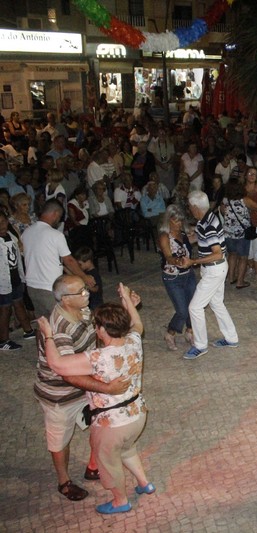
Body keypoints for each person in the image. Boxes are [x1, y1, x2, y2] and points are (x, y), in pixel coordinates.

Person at [37, 283, 154, 514]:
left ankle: (120, 501)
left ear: (101, 330)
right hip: (137, 414)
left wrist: (48, 334)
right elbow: (137, 323)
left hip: (112, 424)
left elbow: (57, 364)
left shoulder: (98, 357)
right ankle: (144, 483)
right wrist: (126, 299)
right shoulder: (134, 341)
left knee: (109, 463)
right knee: (127, 449)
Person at [180, 190, 239, 359]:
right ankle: (231, 338)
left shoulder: (208, 225)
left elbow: (217, 253)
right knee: (217, 304)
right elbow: (204, 238)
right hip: (217, 268)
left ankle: (200, 345)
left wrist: (193, 261)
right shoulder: (208, 218)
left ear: (195, 207)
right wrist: (189, 238)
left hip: (214, 270)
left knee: (195, 307)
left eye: (190, 206)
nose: (189, 209)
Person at [22, 200, 96, 318]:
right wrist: (84, 276)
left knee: (44, 322)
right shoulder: (55, 235)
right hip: (50, 286)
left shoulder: (27, 232)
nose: (59, 221)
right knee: (61, 320)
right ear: (55, 213)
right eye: (60, 217)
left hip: (32, 286)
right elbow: (69, 260)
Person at [158, 204, 196, 351]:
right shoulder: (164, 236)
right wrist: (178, 261)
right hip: (172, 277)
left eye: (180, 220)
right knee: (182, 311)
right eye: (175, 221)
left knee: (192, 306)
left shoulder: (184, 233)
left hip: (188, 275)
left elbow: (194, 239)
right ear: (168, 220)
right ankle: (170, 333)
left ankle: (190, 331)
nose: (178, 224)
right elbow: (168, 256)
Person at [0, 211, 34, 350]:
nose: (1, 225)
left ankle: (28, 330)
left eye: (3, 221)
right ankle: (3, 340)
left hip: (15, 277)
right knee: (5, 310)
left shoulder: (11, 235)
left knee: (19, 304)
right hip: (3, 282)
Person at [73, 246, 103, 311]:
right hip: (89, 301)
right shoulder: (84, 272)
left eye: (80, 264)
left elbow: (96, 289)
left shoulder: (94, 273)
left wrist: (85, 285)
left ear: (88, 261)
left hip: (95, 303)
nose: (79, 267)